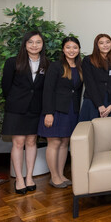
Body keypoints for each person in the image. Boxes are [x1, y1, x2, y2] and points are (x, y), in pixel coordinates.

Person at [2, 31, 49, 194]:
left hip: (36, 109)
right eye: (30, 42)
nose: (34, 45)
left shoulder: (46, 64)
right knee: (18, 143)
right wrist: (16, 101)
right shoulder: (12, 62)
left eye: (38, 42)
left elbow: (45, 89)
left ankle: (29, 177)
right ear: (25, 44)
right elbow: (6, 87)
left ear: (42, 45)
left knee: (31, 142)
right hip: (17, 109)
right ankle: (19, 179)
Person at [38, 37, 83, 189]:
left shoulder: (80, 66)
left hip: (72, 110)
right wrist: (48, 113)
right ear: (63, 49)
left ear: (78, 50)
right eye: (68, 47)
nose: (72, 50)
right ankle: (54, 176)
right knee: (54, 142)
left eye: (75, 47)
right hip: (56, 110)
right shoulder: (56, 66)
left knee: (65, 142)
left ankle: (61, 174)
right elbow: (48, 90)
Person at [79, 33, 111, 121]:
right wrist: (99, 105)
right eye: (101, 43)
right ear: (97, 45)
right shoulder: (88, 60)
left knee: (109, 132)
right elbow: (89, 84)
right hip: (93, 101)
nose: (105, 45)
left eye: (108, 42)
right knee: (89, 131)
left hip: (109, 103)